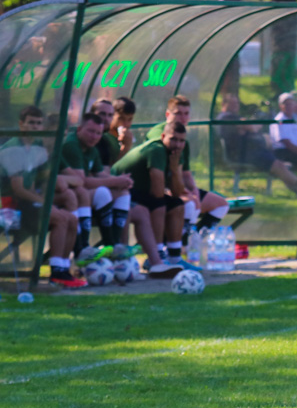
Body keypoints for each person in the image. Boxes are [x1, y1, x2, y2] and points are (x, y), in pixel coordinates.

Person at [0, 106, 86, 288]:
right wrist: (46, 204)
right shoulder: (14, 148)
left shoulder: (37, 146)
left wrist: (45, 199)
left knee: (71, 218)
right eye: (31, 122)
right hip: (9, 208)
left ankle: (64, 269)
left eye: (39, 123)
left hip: (26, 203)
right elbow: (18, 189)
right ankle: (56, 273)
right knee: (61, 218)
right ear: (21, 124)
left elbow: (36, 183)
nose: (35, 127)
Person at [147, 95, 228, 258]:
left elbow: (185, 173)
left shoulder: (184, 140)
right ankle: (175, 247)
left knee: (221, 205)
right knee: (189, 205)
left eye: (186, 113)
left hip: (177, 186)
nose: (183, 117)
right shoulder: (159, 134)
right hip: (160, 187)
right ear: (167, 115)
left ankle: (192, 241)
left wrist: (194, 191)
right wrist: (186, 194)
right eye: (178, 113)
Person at [112, 121, 189, 278]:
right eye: (174, 139)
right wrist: (173, 175)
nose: (178, 145)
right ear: (162, 137)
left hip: (139, 192)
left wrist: (174, 169)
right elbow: (157, 192)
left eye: (182, 141)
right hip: (118, 189)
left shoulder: (176, 153)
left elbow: (177, 192)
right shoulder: (157, 150)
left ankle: (174, 258)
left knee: (177, 205)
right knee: (158, 204)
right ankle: (157, 256)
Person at [61, 113, 134, 264]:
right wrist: (114, 181)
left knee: (123, 193)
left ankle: (113, 245)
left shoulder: (91, 149)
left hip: (78, 192)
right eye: (91, 131)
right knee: (101, 192)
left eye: (98, 133)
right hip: (64, 194)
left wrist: (121, 181)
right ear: (80, 129)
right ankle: (83, 248)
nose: (94, 136)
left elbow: (100, 174)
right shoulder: (71, 145)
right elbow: (82, 182)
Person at [217, 93, 297, 196]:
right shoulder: (226, 117)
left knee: (280, 165)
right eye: (232, 103)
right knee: (278, 166)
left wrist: (248, 127)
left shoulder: (234, 117)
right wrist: (254, 124)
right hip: (243, 155)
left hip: (250, 153)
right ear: (223, 104)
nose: (236, 105)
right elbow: (252, 128)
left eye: (237, 103)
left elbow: (248, 128)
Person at [271, 91, 297, 168]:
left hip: (296, 151)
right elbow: (287, 143)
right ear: (280, 106)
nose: (289, 106)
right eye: (286, 104)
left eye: (291, 104)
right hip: (284, 152)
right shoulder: (279, 120)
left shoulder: (294, 119)